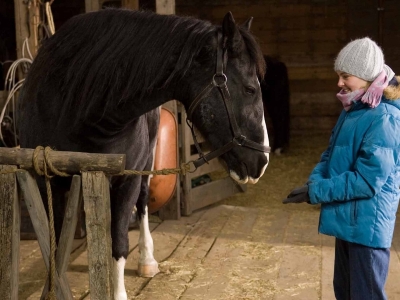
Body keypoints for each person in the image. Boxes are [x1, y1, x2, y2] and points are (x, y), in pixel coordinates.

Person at [282, 37, 400, 300]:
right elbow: (331, 153)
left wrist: (319, 191)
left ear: (366, 75)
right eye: (339, 75)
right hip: (349, 221)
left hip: (367, 229)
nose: (339, 83)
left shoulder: (385, 117)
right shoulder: (354, 109)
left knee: (365, 295)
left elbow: (367, 181)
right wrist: (313, 183)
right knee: (345, 293)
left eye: (345, 76)